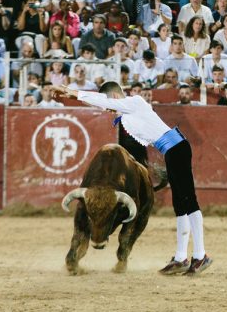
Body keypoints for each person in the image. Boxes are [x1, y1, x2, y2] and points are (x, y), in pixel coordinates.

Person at [52, 81, 212, 275]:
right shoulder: (129, 110)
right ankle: (180, 258)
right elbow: (101, 102)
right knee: (180, 204)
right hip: (171, 150)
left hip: (177, 149)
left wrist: (72, 92)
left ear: (115, 97)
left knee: (188, 201)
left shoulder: (134, 101)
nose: (110, 111)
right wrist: (74, 96)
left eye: (109, 106)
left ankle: (200, 255)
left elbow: (100, 100)